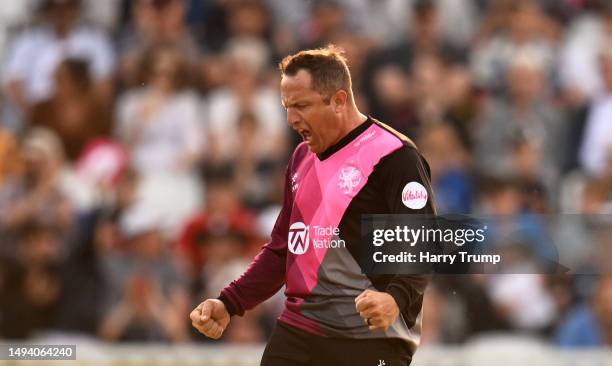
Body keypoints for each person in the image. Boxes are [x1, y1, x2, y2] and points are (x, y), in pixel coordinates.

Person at [190, 45, 435, 366]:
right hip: (299, 330)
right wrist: (229, 302)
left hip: (370, 336)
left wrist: (395, 298)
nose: (291, 119)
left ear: (339, 101)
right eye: (287, 106)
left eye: (302, 105)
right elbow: (283, 249)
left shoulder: (394, 155)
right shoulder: (301, 158)